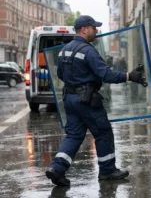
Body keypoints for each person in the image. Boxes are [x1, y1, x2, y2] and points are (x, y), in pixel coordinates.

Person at [45, 15, 143, 186]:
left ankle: (57, 168)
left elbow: (60, 74)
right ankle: (107, 171)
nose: (96, 31)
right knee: (103, 132)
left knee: (74, 135)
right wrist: (129, 76)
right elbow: (106, 75)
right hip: (87, 100)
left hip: (70, 99)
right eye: (93, 27)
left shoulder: (64, 50)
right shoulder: (88, 51)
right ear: (84, 29)